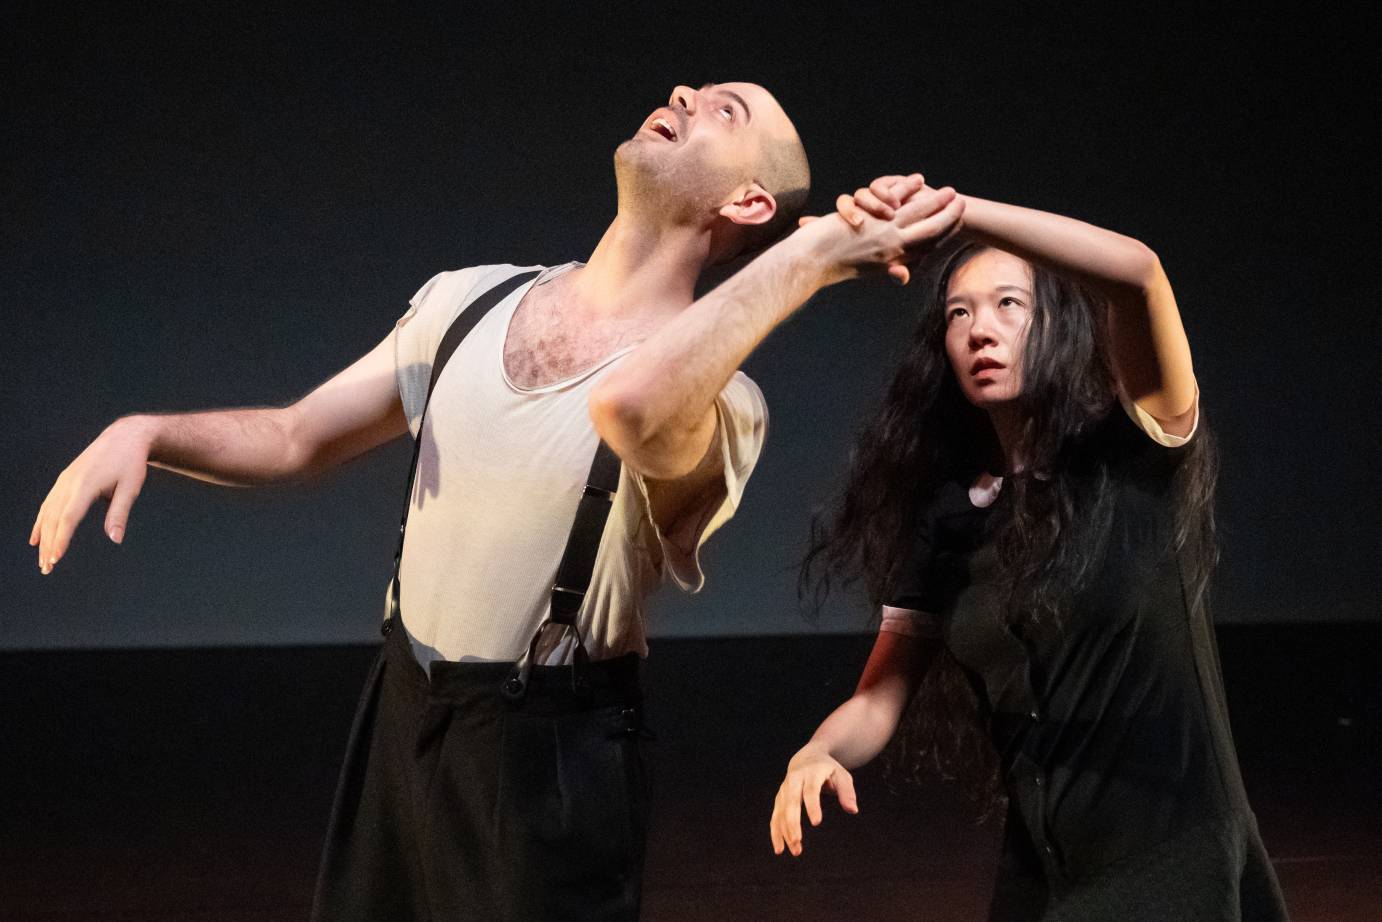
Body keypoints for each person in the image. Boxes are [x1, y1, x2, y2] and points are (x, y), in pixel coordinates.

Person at [30, 81, 964, 920]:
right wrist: (148, 432)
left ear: (749, 202)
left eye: (728, 110)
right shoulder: (466, 303)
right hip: (403, 712)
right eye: (693, 90)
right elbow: (295, 437)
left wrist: (812, 256)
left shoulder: (722, 405)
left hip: (547, 757)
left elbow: (630, 409)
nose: (684, 93)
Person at [770, 177, 1290, 920]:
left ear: (1059, 327)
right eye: (959, 313)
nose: (980, 330)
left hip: (1175, 866)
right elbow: (877, 700)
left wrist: (955, 214)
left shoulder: (1136, 459)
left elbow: (1139, 273)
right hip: (1045, 873)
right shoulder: (950, 518)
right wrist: (818, 751)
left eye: (1009, 304)